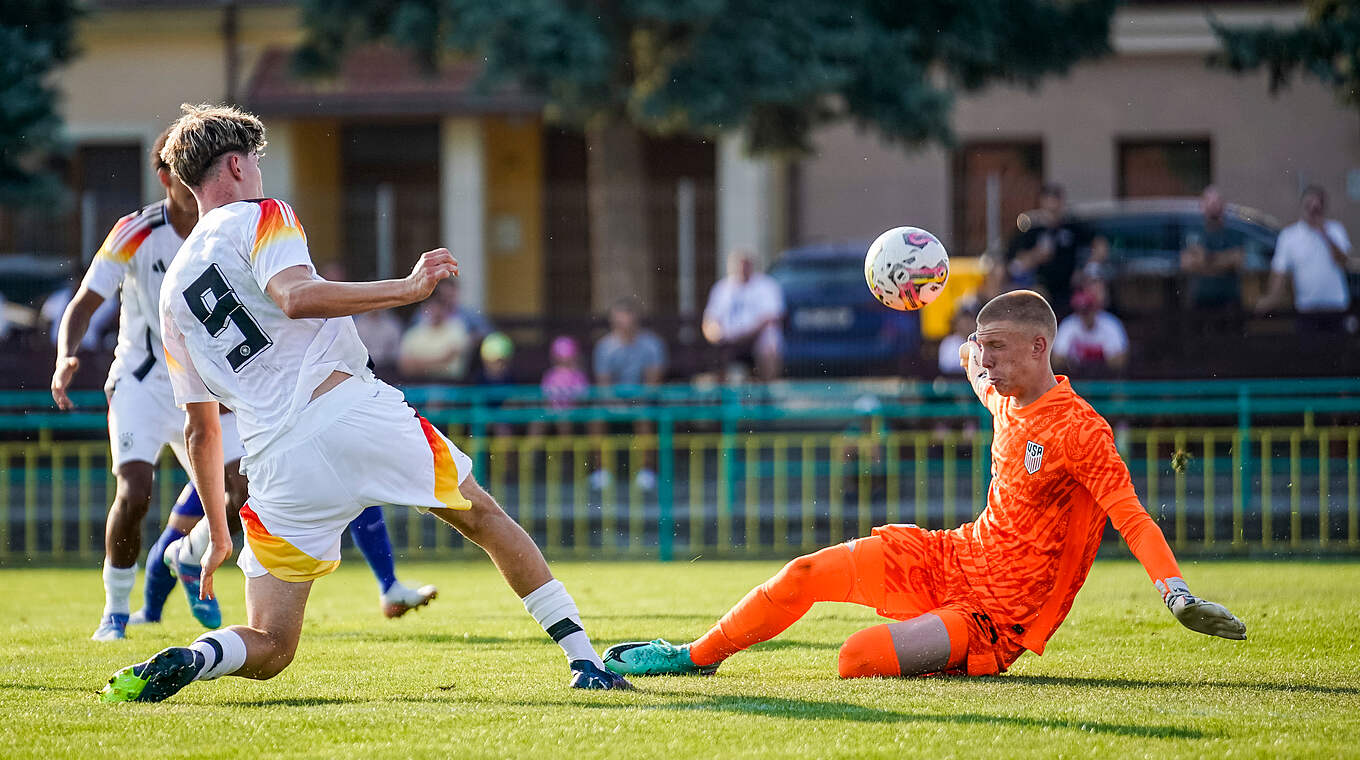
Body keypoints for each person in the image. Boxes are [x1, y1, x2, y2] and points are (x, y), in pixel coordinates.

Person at [100, 103, 628, 703]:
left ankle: (199, 657)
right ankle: (583, 660)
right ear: (237, 163)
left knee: (271, 644)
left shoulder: (170, 293)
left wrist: (216, 533)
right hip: (349, 409)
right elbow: (296, 296)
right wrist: (407, 288)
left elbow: (199, 428)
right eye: (259, 163)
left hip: (275, 461)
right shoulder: (261, 214)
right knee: (484, 517)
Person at [603, 289, 1244, 681]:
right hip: (953, 556)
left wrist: (1178, 595)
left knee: (855, 659)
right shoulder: (1006, 398)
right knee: (804, 572)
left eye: (997, 346)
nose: (986, 358)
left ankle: (955, 649)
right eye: (983, 347)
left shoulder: (1082, 430)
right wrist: (962, 340)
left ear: (1040, 346)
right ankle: (694, 655)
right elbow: (976, 373)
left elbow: (1131, 517)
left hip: (994, 614)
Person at [50, 129, 250, 642]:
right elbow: (85, 302)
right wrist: (66, 355)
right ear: (167, 177)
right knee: (135, 491)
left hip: (204, 386)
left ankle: (186, 555)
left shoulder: (226, 229)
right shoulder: (135, 229)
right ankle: (115, 613)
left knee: (245, 492)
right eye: (188, 168)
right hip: (140, 382)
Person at [590, 298, 667, 491]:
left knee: (643, 416)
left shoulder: (652, 344)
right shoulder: (604, 347)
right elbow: (604, 384)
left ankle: (647, 471)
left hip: (642, 400)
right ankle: (601, 471)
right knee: (596, 417)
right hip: (614, 401)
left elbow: (653, 382)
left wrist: (636, 402)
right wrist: (615, 404)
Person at [997, 184, 1107, 315]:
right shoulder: (1031, 230)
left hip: (1070, 284)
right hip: (1041, 285)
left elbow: (1100, 245)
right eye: (1049, 204)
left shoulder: (1072, 226)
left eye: (1056, 203)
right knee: (1034, 296)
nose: (1053, 208)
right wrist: (1037, 255)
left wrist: (1086, 269)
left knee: (1096, 289)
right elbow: (1015, 264)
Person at [1256, 186, 1354, 331]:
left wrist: (1324, 233)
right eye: (1309, 205)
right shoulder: (1289, 236)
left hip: (1336, 307)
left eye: (1317, 206)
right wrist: (1271, 298)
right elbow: (1279, 271)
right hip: (1307, 309)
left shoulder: (1336, 230)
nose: (1312, 211)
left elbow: (1343, 261)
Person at [702, 249, 785, 382]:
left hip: (756, 337)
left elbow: (771, 317)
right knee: (716, 353)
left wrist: (746, 334)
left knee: (770, 340)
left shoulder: (766, 285)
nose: (742, 269)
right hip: (729, 340)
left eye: (746, 265)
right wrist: (716, 334)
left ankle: (768, 388)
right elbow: (709, 320)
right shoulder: (722, 288)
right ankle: (721, 395)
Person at [1179, 186, 1246, 309]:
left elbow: (1237, 260)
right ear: (1202, 205)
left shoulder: (1234, 231)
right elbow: (1187, 264)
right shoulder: (1193, 232)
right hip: (1199, 300)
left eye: (1216, 202)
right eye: (1209, 202)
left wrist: (1206, 259)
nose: (1213, 206)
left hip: (1228, 300)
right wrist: (1224, 261)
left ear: (1223, 205)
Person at [1052, 279, 1128, 376]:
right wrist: (1071, 361)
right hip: (1077, 380)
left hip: (1105, 380)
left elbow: (1120, 361)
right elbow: (1056, 361)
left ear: (1095, 308)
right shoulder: (1069, 325)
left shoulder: (1110, 324)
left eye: (1087, 310)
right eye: (1081, 311)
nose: (1084, 315)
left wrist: (1096, 362)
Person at [397, 301, 474, 381]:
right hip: (418, 382)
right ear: (424, 310)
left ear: (446, 310)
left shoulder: (457, 329)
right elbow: (405, 366)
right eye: (431, 308)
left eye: (439, 308)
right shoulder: (413, 333)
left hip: (449, 382)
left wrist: (417, 364)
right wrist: (438, 360)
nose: (436, 312)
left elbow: (448, 358)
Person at [538, 336, 589, 437]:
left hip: (574, 412)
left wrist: (569, 407)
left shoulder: (578, 375)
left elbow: (583, 396)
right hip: (554, 411)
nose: (565, 361)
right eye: (561, 359)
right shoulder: (550, 374)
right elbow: (545, 396)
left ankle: (567, 451)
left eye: (568, 358)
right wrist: (553, 409)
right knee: (538, 422)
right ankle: (533, 451)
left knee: (564, 422)